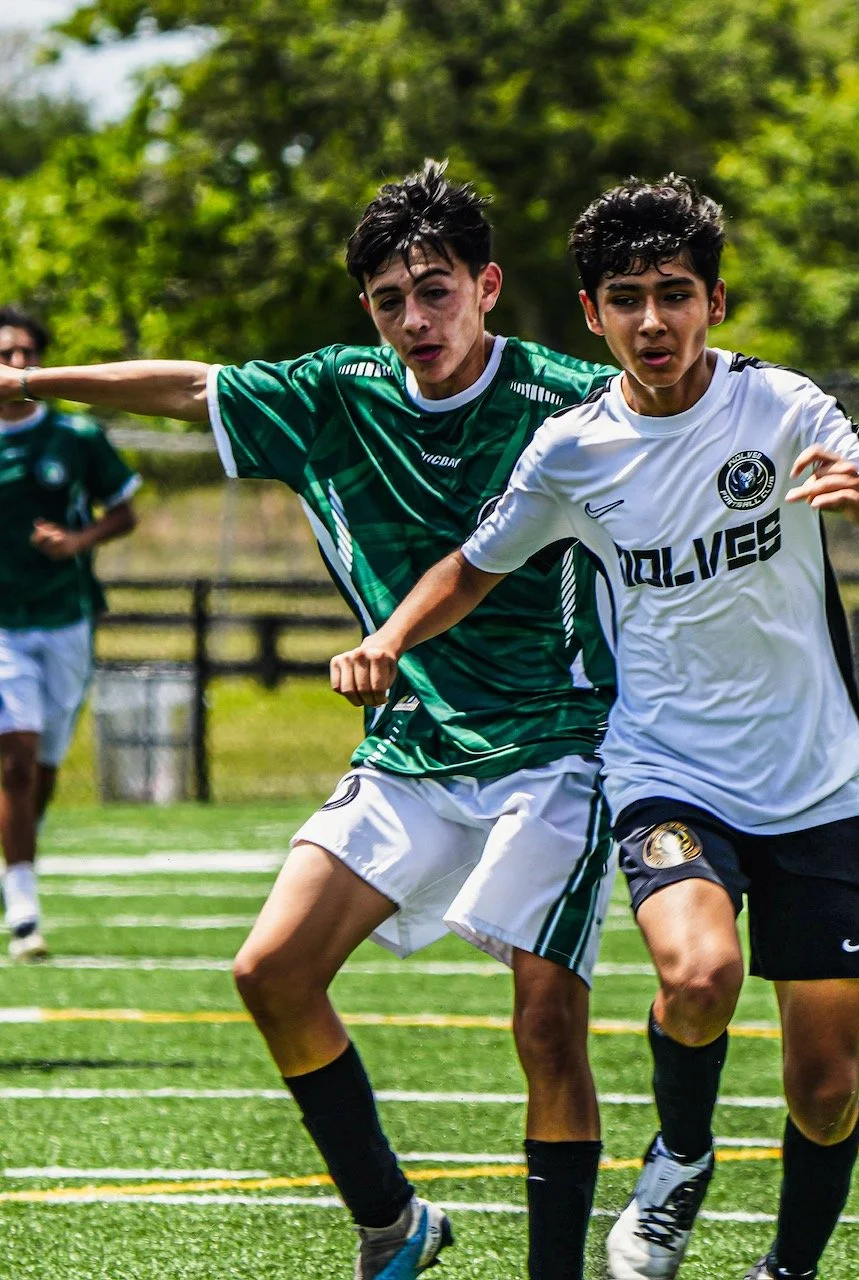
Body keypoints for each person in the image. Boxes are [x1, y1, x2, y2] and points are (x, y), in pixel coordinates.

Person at [331, 175, 859, 1280]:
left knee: (825, 1090)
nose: (652, 321)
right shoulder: (574, 449)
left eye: (675, 294)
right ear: (592, 313)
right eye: (625, 298)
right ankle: (678, 1156)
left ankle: (789, 1268)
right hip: (666, 770)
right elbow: (470, 568)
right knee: (698, 972)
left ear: (715, 301)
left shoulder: (782, 407)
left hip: (816, 782)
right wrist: (389, 637)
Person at [0, 164, 620, 1280]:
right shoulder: (339, 393)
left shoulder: (574, 400)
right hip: (415, 745)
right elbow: (193, 389)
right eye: (390, 300)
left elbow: (703, 425)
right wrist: (39, 376)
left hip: (556, 744)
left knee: (544, 1018)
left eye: (435, 290)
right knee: (272, 970)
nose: (415, 319)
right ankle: (393, 1219)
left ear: (485, 286)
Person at [0, 306, 139, 963]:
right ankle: (24, 910)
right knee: (16, 757)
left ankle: (18, 850)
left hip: (67, 619)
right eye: (6, 353)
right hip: (4, 628)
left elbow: (127, 511)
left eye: (27, 353)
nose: (17, 365)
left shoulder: (75, 434)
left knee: (44, 768)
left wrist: (78, 541)